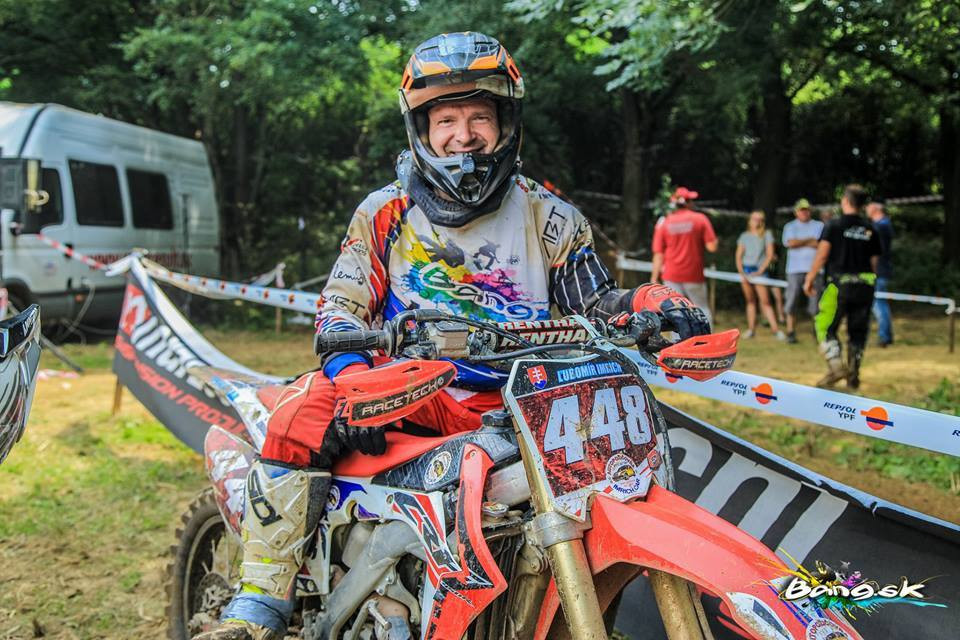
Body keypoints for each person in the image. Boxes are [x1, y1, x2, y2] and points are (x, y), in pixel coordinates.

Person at [195, 32, 711, 640]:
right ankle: (260, 601)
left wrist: (650, 301)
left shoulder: (551, 216)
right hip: (407, 389)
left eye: (478, 117)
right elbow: (340, 311)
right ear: (421, 127)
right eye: (445, 119)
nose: (463, 135)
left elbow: (595, 301)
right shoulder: (384, 213)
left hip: (522, 402)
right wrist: (357, 383)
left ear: (506, 123)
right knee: (300, 410)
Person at [803, 184, 881, 389]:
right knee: (858, 330)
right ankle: (853, 375)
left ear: (845, 201)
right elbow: (874, 262)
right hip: (865, 285)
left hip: (839, 285)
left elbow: (822, 254)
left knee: (823, 326)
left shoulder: (834, 225)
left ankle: (836, 366)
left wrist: (810, 278)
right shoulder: (870, 228)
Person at [650, 186, 718, 325]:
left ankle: (679, 338)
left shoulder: (664, 222)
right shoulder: (700, 219)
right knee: (701, 308)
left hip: (671, 275)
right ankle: (708, 336)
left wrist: (654, 278)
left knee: (675, 312)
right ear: (688, 203)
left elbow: (658, 254)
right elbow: (712, 247)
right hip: (694, 275)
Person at [735, 211, 785, 339]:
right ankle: (751, 329)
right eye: (754, 219)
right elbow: (738, 256)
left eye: (759, 219)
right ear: (750, 220)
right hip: (746, 271)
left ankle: (775, 330)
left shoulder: (767, 234)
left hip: (760, 271)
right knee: (750, 301)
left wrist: (760, 271)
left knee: (765, 302)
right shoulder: (744, 236)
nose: (757, 221)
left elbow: (770, 255)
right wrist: (742, 272)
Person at [781, 198, 824, 343]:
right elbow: (791, 243)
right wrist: (809, 240)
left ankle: (817, 332)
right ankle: (790, 332)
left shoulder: (819, 225)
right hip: (794, 270)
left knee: (816, 301)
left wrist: (800, 241)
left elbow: (820, 244)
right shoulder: (790, 226)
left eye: (806, 210)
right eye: (801, 210)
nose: (804, 213)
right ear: (796, 212)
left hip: (815, 269)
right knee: (792, 299)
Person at [867, 199, 894, 347]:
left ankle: (884, 337)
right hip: (881, 270)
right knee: (881, 303)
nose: (866, 209)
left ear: (876, 209)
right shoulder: (882, 225)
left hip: (879, 270)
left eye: (869, 207)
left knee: (878, 304)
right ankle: (886, 336)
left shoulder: (881, 226)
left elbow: (876, 251)